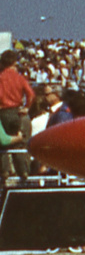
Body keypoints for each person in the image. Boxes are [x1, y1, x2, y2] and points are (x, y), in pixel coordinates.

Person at [1, 50, 36, 184]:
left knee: (3, 144)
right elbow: (31, 94)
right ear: (14, 62)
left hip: (3, 112)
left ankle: (4, 171)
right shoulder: (19, 77)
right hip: (17, 111)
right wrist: (26, 107)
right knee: (20, 143)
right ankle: (24, 171)